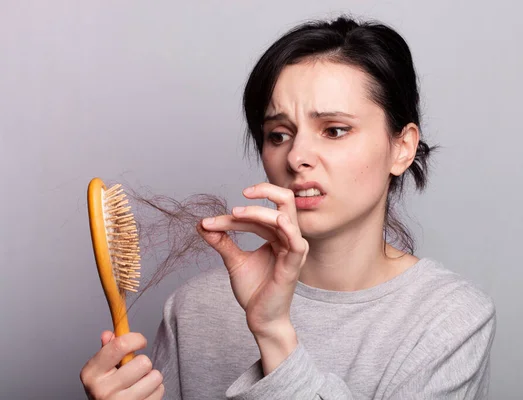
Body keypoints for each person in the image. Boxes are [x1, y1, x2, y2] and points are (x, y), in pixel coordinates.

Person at [80, 15, 496, 400]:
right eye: (278, 135)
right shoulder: (194, 309)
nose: (297, 156)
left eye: (334, 130)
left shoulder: (448, 319)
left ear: (401, 147)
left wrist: (273, 331)